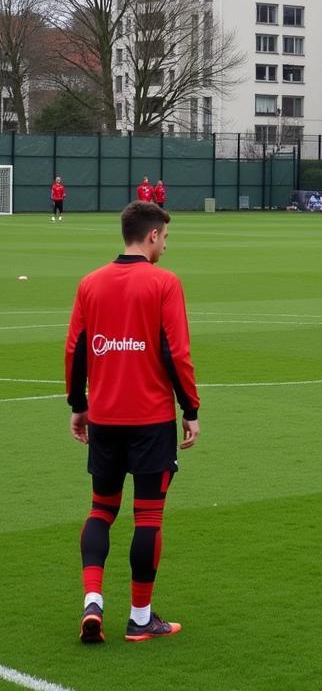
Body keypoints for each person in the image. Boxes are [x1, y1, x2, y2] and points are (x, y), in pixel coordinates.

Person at [65, 200, 200, 644]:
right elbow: (176, 353)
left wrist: (77, 404)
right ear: (152, 235)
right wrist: (191, 410)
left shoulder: (90, 283)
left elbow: (76, 349)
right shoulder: (164, 282)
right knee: (148, 517)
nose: (166, 245)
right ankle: (140, 618)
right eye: (166, 237)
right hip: (150, 420)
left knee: (101, 510)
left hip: (104, 418)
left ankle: (93, 603)